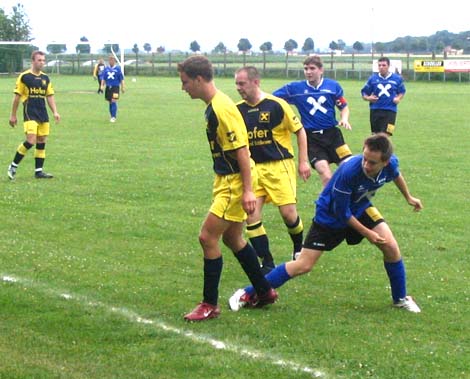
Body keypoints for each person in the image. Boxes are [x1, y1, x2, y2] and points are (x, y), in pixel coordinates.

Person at [229, 133, 423, 313]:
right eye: (364, 158)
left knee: (391, 247)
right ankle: (247, 292)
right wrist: (368, 233)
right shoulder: (349, 171)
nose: (366, 165)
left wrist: (408, 197)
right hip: (330, 216)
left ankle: (400, 298)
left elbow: (395, 174)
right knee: (303, 265)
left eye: (372, 162)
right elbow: (342, 213)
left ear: (385, 161)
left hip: (360, 207)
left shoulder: (391, 164)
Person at [177, 56, 278, 321]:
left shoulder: (221, 108)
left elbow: (243, 151)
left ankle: (209, 304)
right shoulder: (215, 104)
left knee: (207, 237)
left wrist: (247, 190)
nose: (183, 87)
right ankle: (265, 290)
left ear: (199, 79)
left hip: (234, 182)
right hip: (226, 179)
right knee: (233, 239)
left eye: (185, 82)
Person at [234, 66, 311, 272]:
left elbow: (300, 131)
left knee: (288, 214)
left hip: (279, 166)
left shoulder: (277, 105)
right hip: (252, 169)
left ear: (255, 82)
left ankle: (298, 247)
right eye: (237, 84)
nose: (238, 88)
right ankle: (266, 262)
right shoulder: (237, 110)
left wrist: (303, 161)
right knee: (251, 215)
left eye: (242, 83)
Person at [273, 55, 352, 188]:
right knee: (326, 176)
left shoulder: (332, 86)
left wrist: (344, 119)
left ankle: (348, 202)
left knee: (349, 170)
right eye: (306, 69)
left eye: (312, 68)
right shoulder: (295, 88)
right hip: (312, 138)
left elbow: (343, 107)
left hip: (333, 135)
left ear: (321, 70)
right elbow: (273, 99)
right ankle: (326, 207)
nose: (308, 72)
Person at [7, 50, 60, 180]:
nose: (42, 62)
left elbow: (50, 96)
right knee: (31, 140)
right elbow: (16, 97)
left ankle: (39, 171)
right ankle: (13, 166)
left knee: (42, 140)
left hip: (42, 112)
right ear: (33, 61)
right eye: (39, 60)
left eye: (43, 60)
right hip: (30, 111)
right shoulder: (25, 77)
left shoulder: (45, 78)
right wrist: (13, 115)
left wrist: (55, 112)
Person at [361, 56, 406, 135]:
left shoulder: (397, 79)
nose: (381, 67)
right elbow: (364, 93)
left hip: (391, 111)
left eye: (384, 65)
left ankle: (383, 147)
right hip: (375, 110)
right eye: (379, 65)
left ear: (389, 66)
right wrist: (368, 98)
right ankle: (371, 147)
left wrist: (398, 98)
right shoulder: (372, 79)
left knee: (387, 134)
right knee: (375, 136)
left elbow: (402, 91)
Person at [100, 55, 125, 122]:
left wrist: (123, 87)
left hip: (115, 88)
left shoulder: (118, 69)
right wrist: (101, 87)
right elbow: (103, 79)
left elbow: (122, 79)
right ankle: (111, 116)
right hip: (108, 88)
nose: (111, 61)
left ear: (114, 61)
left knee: (114, 101)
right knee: (110, 102)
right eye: (110, 60)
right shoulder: (106, 69)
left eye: (112, 60)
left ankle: (114, 117)